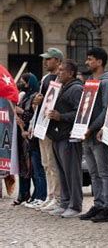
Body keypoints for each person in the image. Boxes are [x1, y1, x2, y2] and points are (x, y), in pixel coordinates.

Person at [79, 47, 108, 222]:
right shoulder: (90, 81)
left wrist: (92, 128)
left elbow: (106, 109)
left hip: (98, 133)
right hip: (87, 133)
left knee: (104, 171)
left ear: (99, 62)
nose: (87, 62)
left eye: (90, 59)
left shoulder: (106, 82)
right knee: (93, 172)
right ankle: (98, 203)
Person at [47, 60, 84, 218]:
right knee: (62, 172)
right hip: (58, 135)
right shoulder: (61, 88)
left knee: (71, 172)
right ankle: (65, 202)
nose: (59, 72)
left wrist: (60, 116)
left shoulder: (76, 89)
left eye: (62, 70)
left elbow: (80, 113)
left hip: (68, 136)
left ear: (70, 73)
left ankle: (75, 205)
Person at [36, 47, 63, 212]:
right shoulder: (45, 78)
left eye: (49, 59)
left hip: (52, 127)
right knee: (45, 164)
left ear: (58, 61)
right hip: (42, 125)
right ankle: (49, 195)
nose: (46, 61)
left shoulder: (60, 79)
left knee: (52, 165)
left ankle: (57, 197)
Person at [14, 73, 47, 207]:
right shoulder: (24, 96)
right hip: (22, 136)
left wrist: (21, 113)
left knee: (35, 168)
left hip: (30, 136)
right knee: (24, 168)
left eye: (24, 82)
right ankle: (24, 194)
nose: (22, 84)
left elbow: (33, 116)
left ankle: (39, 195)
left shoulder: (35, 97)